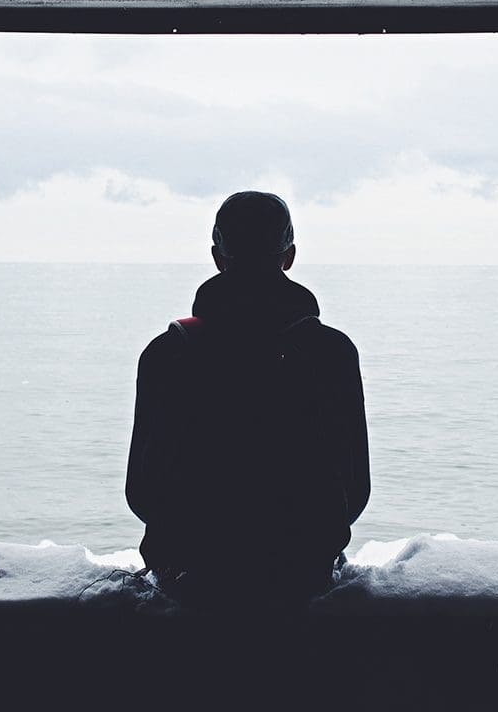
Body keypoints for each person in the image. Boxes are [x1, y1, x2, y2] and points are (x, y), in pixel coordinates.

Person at [126, 191, 370, 610]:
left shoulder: (168, 353)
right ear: (289, 256)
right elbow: (356, 490)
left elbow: (141, 492)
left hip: (192, 575)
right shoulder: (333, 353)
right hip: (300, 574)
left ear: (218, 257)